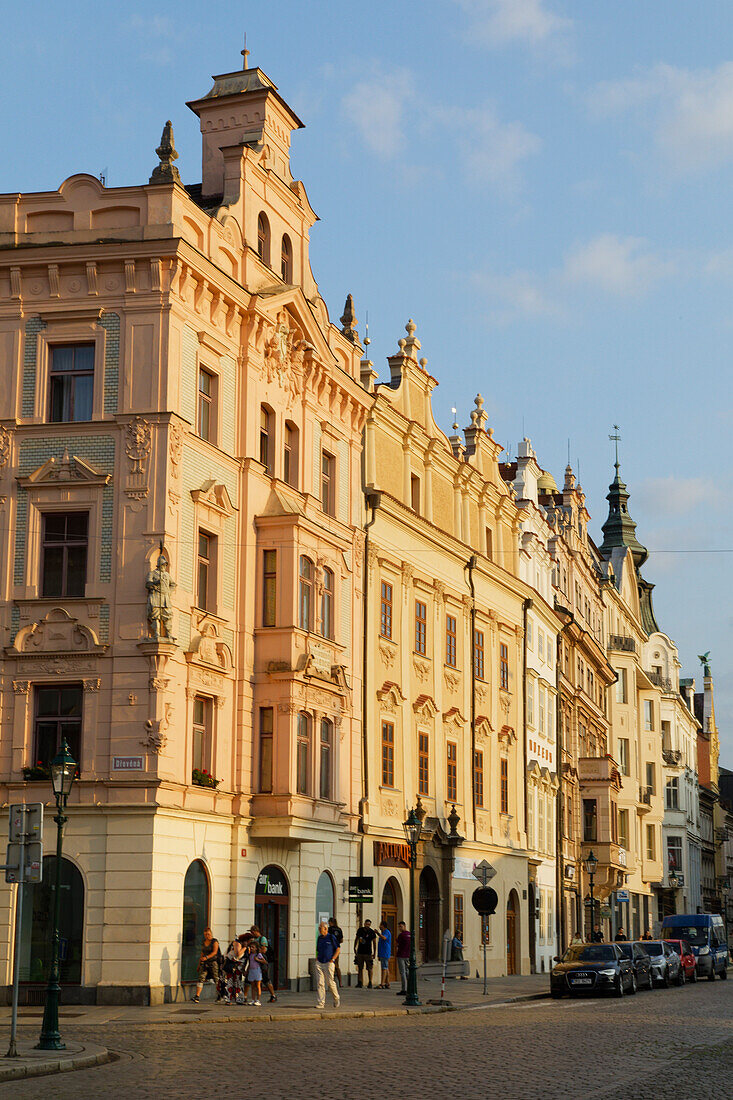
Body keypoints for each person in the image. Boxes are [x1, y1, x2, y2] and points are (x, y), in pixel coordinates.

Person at [315, 920, 341, 1009]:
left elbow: (338, 949)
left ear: (325, 928)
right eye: (319, 928)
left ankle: (336, 998)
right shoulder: (319, 938)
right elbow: (318, 949)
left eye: (320, 928)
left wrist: (333, 959)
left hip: (328, 962)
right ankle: (321, 1003)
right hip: (320, 962)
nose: (319, 929)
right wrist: (317, 958)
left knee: (330, 982)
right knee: (320, 983)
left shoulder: (331, 937)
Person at [250, 925, 277, 1003]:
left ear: (256, 931)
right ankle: (254, 998)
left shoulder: (262, 939)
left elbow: (264, 950)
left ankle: (273, 995)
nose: (252, 934)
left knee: (266, 979)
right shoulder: (254, 939)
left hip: (262, 962)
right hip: (255, 963)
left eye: (252, 932)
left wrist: (256, 951)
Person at [193, 927, 219, 1003]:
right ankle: (197, 996)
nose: (207, 936)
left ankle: (220, 994)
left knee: (216, 979)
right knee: (201, 978)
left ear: (211, 933)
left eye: (208, 934)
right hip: (204, 963)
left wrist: (207, 957)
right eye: (205, 934)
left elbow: (215, 952)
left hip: (213, 962)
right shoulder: (204, 942)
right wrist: (199, 964)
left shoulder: (214, 941)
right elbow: (202, 953)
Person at [220, 934, 246, 1005]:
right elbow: (237, 954)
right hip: (231, 966)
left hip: (237, 967)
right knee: (229, 982)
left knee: (238, 983)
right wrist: (245, 948)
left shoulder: (240, 944)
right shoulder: (237, 943)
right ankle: (228, 999)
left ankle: (239, 999)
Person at [354, 918, 378, 987]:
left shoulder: (371, 932)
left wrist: (374, 953)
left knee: (369, 968)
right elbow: (357, 939)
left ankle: (370, 982)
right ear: (364, 924)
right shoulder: (360, 930)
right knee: (360, 967)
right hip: (360, 952)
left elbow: (374, 943)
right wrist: (354, 947)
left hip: (368, 953)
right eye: (366, 924)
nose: (367, 925)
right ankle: (360, 982)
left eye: (369, 925)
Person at [245, 940, 267, 1006]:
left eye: (253, 947)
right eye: (250, 947)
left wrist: (258, 959)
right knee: (252, 986)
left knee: (258, 986)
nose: (251, 948)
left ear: (256, 948)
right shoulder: (250, 955)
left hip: (257, 970)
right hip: (251, 970)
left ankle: (258, 1000)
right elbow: (250, 963)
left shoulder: (258, 954)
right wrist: (247, 970)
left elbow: (264, 961)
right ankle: (253, 999)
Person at [395, 921, 410, 995]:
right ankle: (409, 988)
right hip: (408, 956)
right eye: (399, 926)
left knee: (403, 973)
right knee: (407, 972)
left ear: (404, 926)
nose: (399, 928)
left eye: (401, 926)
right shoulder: (410, 934)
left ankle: (404, 989)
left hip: (401, 955)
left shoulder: (401, 935)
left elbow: (397, 944)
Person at [328, 917, 344, 987]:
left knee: (329, 965)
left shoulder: (329, 929)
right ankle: (340, 982)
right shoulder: (339, 929)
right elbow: (341, 940)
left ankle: (330, 981)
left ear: (331, 923)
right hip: (337, 949)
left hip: (330, 949)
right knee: (337, 966)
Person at [377, 920, 392, 988]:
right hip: (382, 952)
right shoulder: (383, 932)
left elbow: (384, 938)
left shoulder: (386, 932)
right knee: (386, 968)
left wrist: (378, 933)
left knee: (384, 968)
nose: (379, 926)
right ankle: (387, 983)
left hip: (385, 952)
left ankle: (382, 983)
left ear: (383, 926)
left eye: (380, 925)